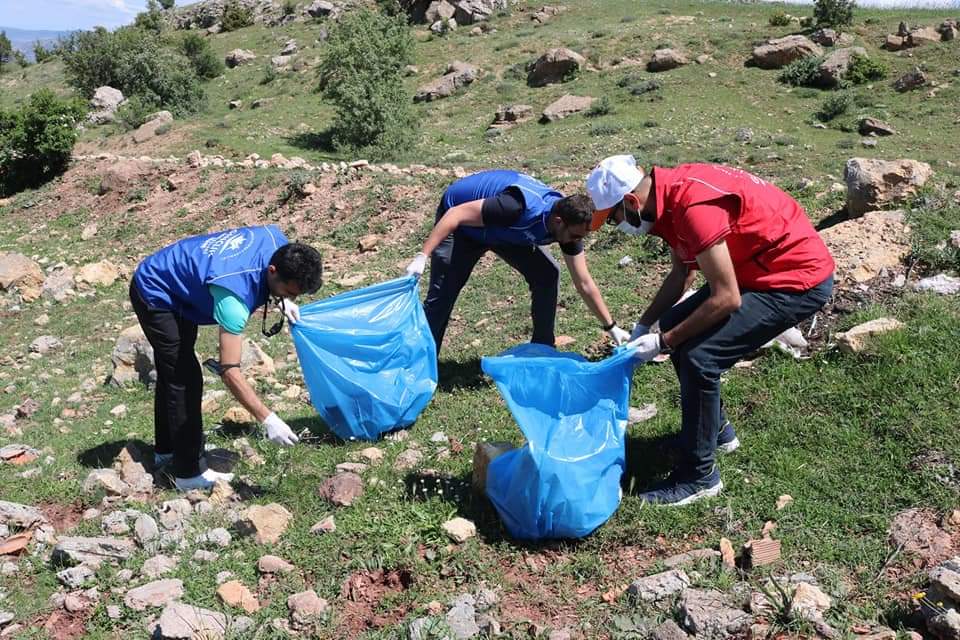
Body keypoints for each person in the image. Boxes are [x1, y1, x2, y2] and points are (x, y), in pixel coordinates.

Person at [586, 155, 835, 505]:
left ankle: (699, 477)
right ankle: (715, 432)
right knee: (676, 326)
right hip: (754, 269)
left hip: (794, 279)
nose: (617, 228)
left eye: (613, 220)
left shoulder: (692, 208)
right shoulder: (666, 197)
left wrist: (662, 342)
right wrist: (646, 324)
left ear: (629, 202)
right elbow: (682, 274)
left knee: (699, 356)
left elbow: (727, 298)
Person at [130, 225, 323, 490]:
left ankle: (167, 450)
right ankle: (187, 474)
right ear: (272, 271)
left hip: (182, 281)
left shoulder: (275, 239)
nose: (290, 297)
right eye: (289, 292)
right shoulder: (234, 299)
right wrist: (268, 419)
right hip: (156, 288)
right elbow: (230, 371)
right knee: (184, 377)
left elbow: (275, 274)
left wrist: (283, 299)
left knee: (174, 370)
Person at [404, 169, 630, 352]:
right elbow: (454, 214)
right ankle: (421, 363)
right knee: (443, 293)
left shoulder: (570, 224)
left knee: (547, 274)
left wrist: (611, 328)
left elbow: (584, 283)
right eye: (575, 236)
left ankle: (542, 349)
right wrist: (422, 256)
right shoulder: (515, 206)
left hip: (504, 231)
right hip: (463, 224)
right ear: (559, 222)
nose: (576, 242)